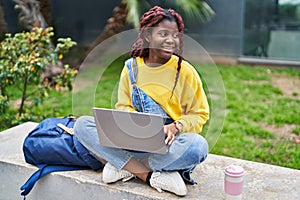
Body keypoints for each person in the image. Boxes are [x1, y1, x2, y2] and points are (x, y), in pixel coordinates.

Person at [74, 6, 209, 196]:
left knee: (198, 146)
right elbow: (123, 107)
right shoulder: (131, 68)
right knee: (82, 126)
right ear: (147, 36)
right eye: (163, 34)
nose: (171, 40)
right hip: (135, 142)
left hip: (169, 147)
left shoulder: (185, 72)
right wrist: (137, 127)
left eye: (176, 35)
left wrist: (176, 127)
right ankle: (152, 175)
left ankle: (127, 167)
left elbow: (200, 114)